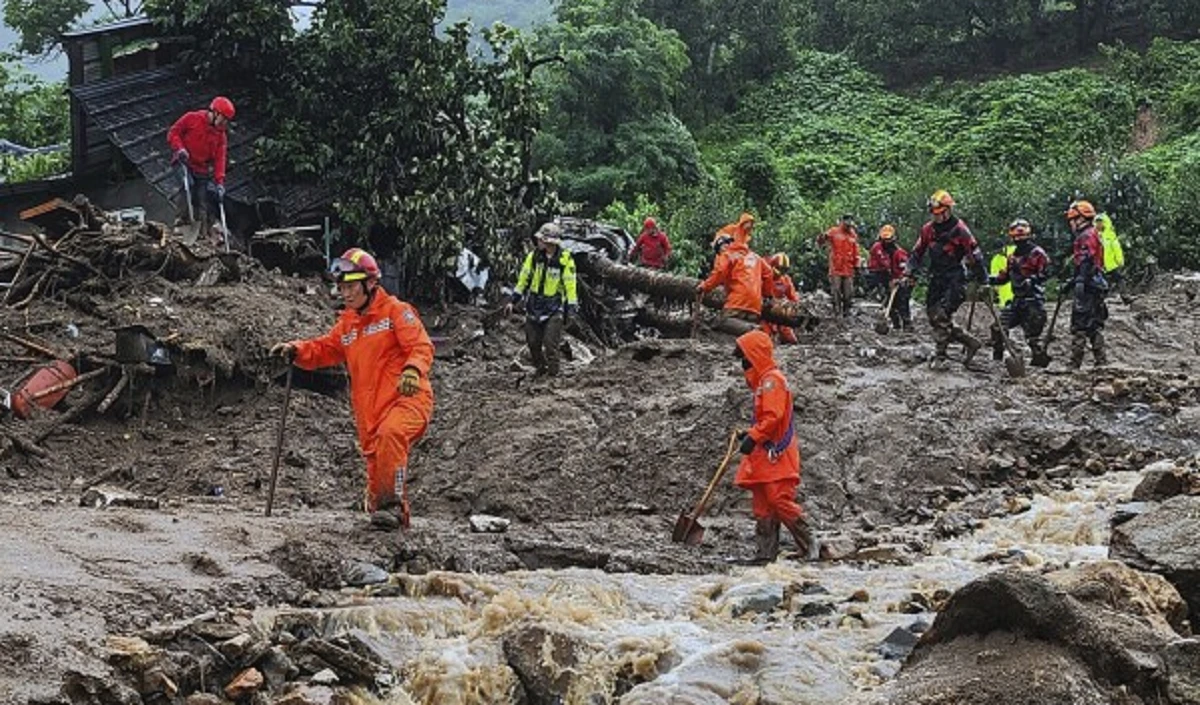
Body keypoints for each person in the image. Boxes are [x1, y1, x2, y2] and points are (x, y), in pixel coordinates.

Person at [269, 248, 434, 531]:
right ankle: (390, 531)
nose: (345, 293)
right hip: (369, 411)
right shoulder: (348, 323)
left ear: (370, 283)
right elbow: (325, 349)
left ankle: (392, 508)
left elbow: (420, 346)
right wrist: (296, 349)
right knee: (375, 464)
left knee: (391, 435)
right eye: (341, 288)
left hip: (406, 399)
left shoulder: (396, 311)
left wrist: (413, 370)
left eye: (350, 287)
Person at [731, 330, 812, 564]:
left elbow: (773, 416)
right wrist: (751, 435)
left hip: (776, 452)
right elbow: (769, 418)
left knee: (778, 499)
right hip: (766, 453)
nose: (743, 363)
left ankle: (810, 542)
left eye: (745, 357)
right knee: (763, 504)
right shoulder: (765, 382)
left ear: (754, 355)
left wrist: (753, 436)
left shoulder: (772, 381)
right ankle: (765, 555)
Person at [904, 190, 987, 367]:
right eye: (934, 214)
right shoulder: (928, 230)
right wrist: (909, 270)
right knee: (933, 315)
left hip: (955, 277)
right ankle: (969, 341)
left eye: (940, 213)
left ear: (948, 210)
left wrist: (983, 280)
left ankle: (940, 355)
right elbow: (917, 253)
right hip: (937, 276)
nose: (937, 217)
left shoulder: (960, 230)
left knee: (942, 314)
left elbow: (975, 255)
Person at [505, 223, 579, 377]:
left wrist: (571, 310)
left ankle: (553, 377)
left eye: (541, 239)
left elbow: (570, 286)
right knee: (533, 343)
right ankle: (541, 369)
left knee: (551, 344)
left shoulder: (565, 260)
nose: (538, 241)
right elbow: (523, 279)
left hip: (554, 307)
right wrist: (513, 300)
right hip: (534, 306)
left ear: (550, 242)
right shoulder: (533, 257)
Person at [167, 96, 235, 244]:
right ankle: (180, 223)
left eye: (226, 121)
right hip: (183, 161)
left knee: (203, 200)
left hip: (201, 168)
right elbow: (173, 132)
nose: (224, 124)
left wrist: (220, 182)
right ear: (214, 113)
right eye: (223, 120)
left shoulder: (221, 136)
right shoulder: (192, 118)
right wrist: (179, 148)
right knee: (188, 186)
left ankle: (202, 233)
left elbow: (220, 159)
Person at [988, 219, 1049, 363]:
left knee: (1034, 338)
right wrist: (988, 279)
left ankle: (1040, 364)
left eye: (1022, 238)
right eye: (1016, 238)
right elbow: (1004, 278)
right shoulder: (1012, 257)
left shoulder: (1038, 253)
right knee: (998, 328)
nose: (1019, 240)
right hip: (1017, 301)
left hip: (1033, 301)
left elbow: (1046, 273)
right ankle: (997, 359)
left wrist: (1033, 280)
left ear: (1029, 236)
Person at [698, 213, 774, 321]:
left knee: (720, 329)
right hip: (755, 307)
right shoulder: (756, 257)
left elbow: (720, 272)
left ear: (722, 246)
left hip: (737, 302)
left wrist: (705, 287)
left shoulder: (727, 255)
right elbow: (769, 273)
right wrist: (767, 295)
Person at [1065, 200, 1109, 367]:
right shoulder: (1093, 233)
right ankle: (1101, 362)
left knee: (1080, 324)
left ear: (1081, 219)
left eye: (1073, 219)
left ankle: (1075, 363)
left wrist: (1080, 281)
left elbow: (1086, 259)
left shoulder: (1086, 236)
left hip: (1089, 285)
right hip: (1095, 284)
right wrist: (1072, 281)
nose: (1071, 223)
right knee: (1094, 325)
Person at [817, 214, 859, 317]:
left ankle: (846, 312)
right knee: (836, 291)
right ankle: (837, 312)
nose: (848, 223)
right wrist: (821, 237)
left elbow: (856, 251)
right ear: (842, 221)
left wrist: (857, 264)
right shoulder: (833, 231)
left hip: (848, 268)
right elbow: (821, 242)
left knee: (848, 293)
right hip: (836, 267)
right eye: (847, 220)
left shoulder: (853, 234)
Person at [872, 225, 912, 330]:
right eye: (884, 239)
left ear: (893, 238)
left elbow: (905, 268)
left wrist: (899, 279)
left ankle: (907, 324)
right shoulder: (878, 248)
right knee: (890, 301)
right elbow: (881, 264)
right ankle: (895, 324)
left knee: (902, 300)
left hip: (901, 279)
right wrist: (889, 280)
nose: (886, 242)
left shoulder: (900, 253)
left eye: (888, 239)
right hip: (886, 277)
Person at [763, 253, 800, 344]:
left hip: (780, 310)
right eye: (780, 268)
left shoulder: (786, 279)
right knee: (766, 337)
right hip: (765, 311)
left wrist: (792, 309)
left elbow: (793, 298)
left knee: (791, 340)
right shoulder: (765, 277)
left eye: (784, 269)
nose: (782, 272)